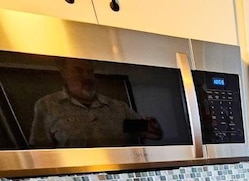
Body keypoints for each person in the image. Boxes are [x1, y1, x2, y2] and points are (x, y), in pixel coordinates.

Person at [29, 58, 162, 148]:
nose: (87, 77)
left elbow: (152, 134)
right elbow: (40, 150)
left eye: (90, 71)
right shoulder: (47, 106)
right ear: (64, 74)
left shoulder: (117, 107)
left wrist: (153, 128)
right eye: (78, 71)